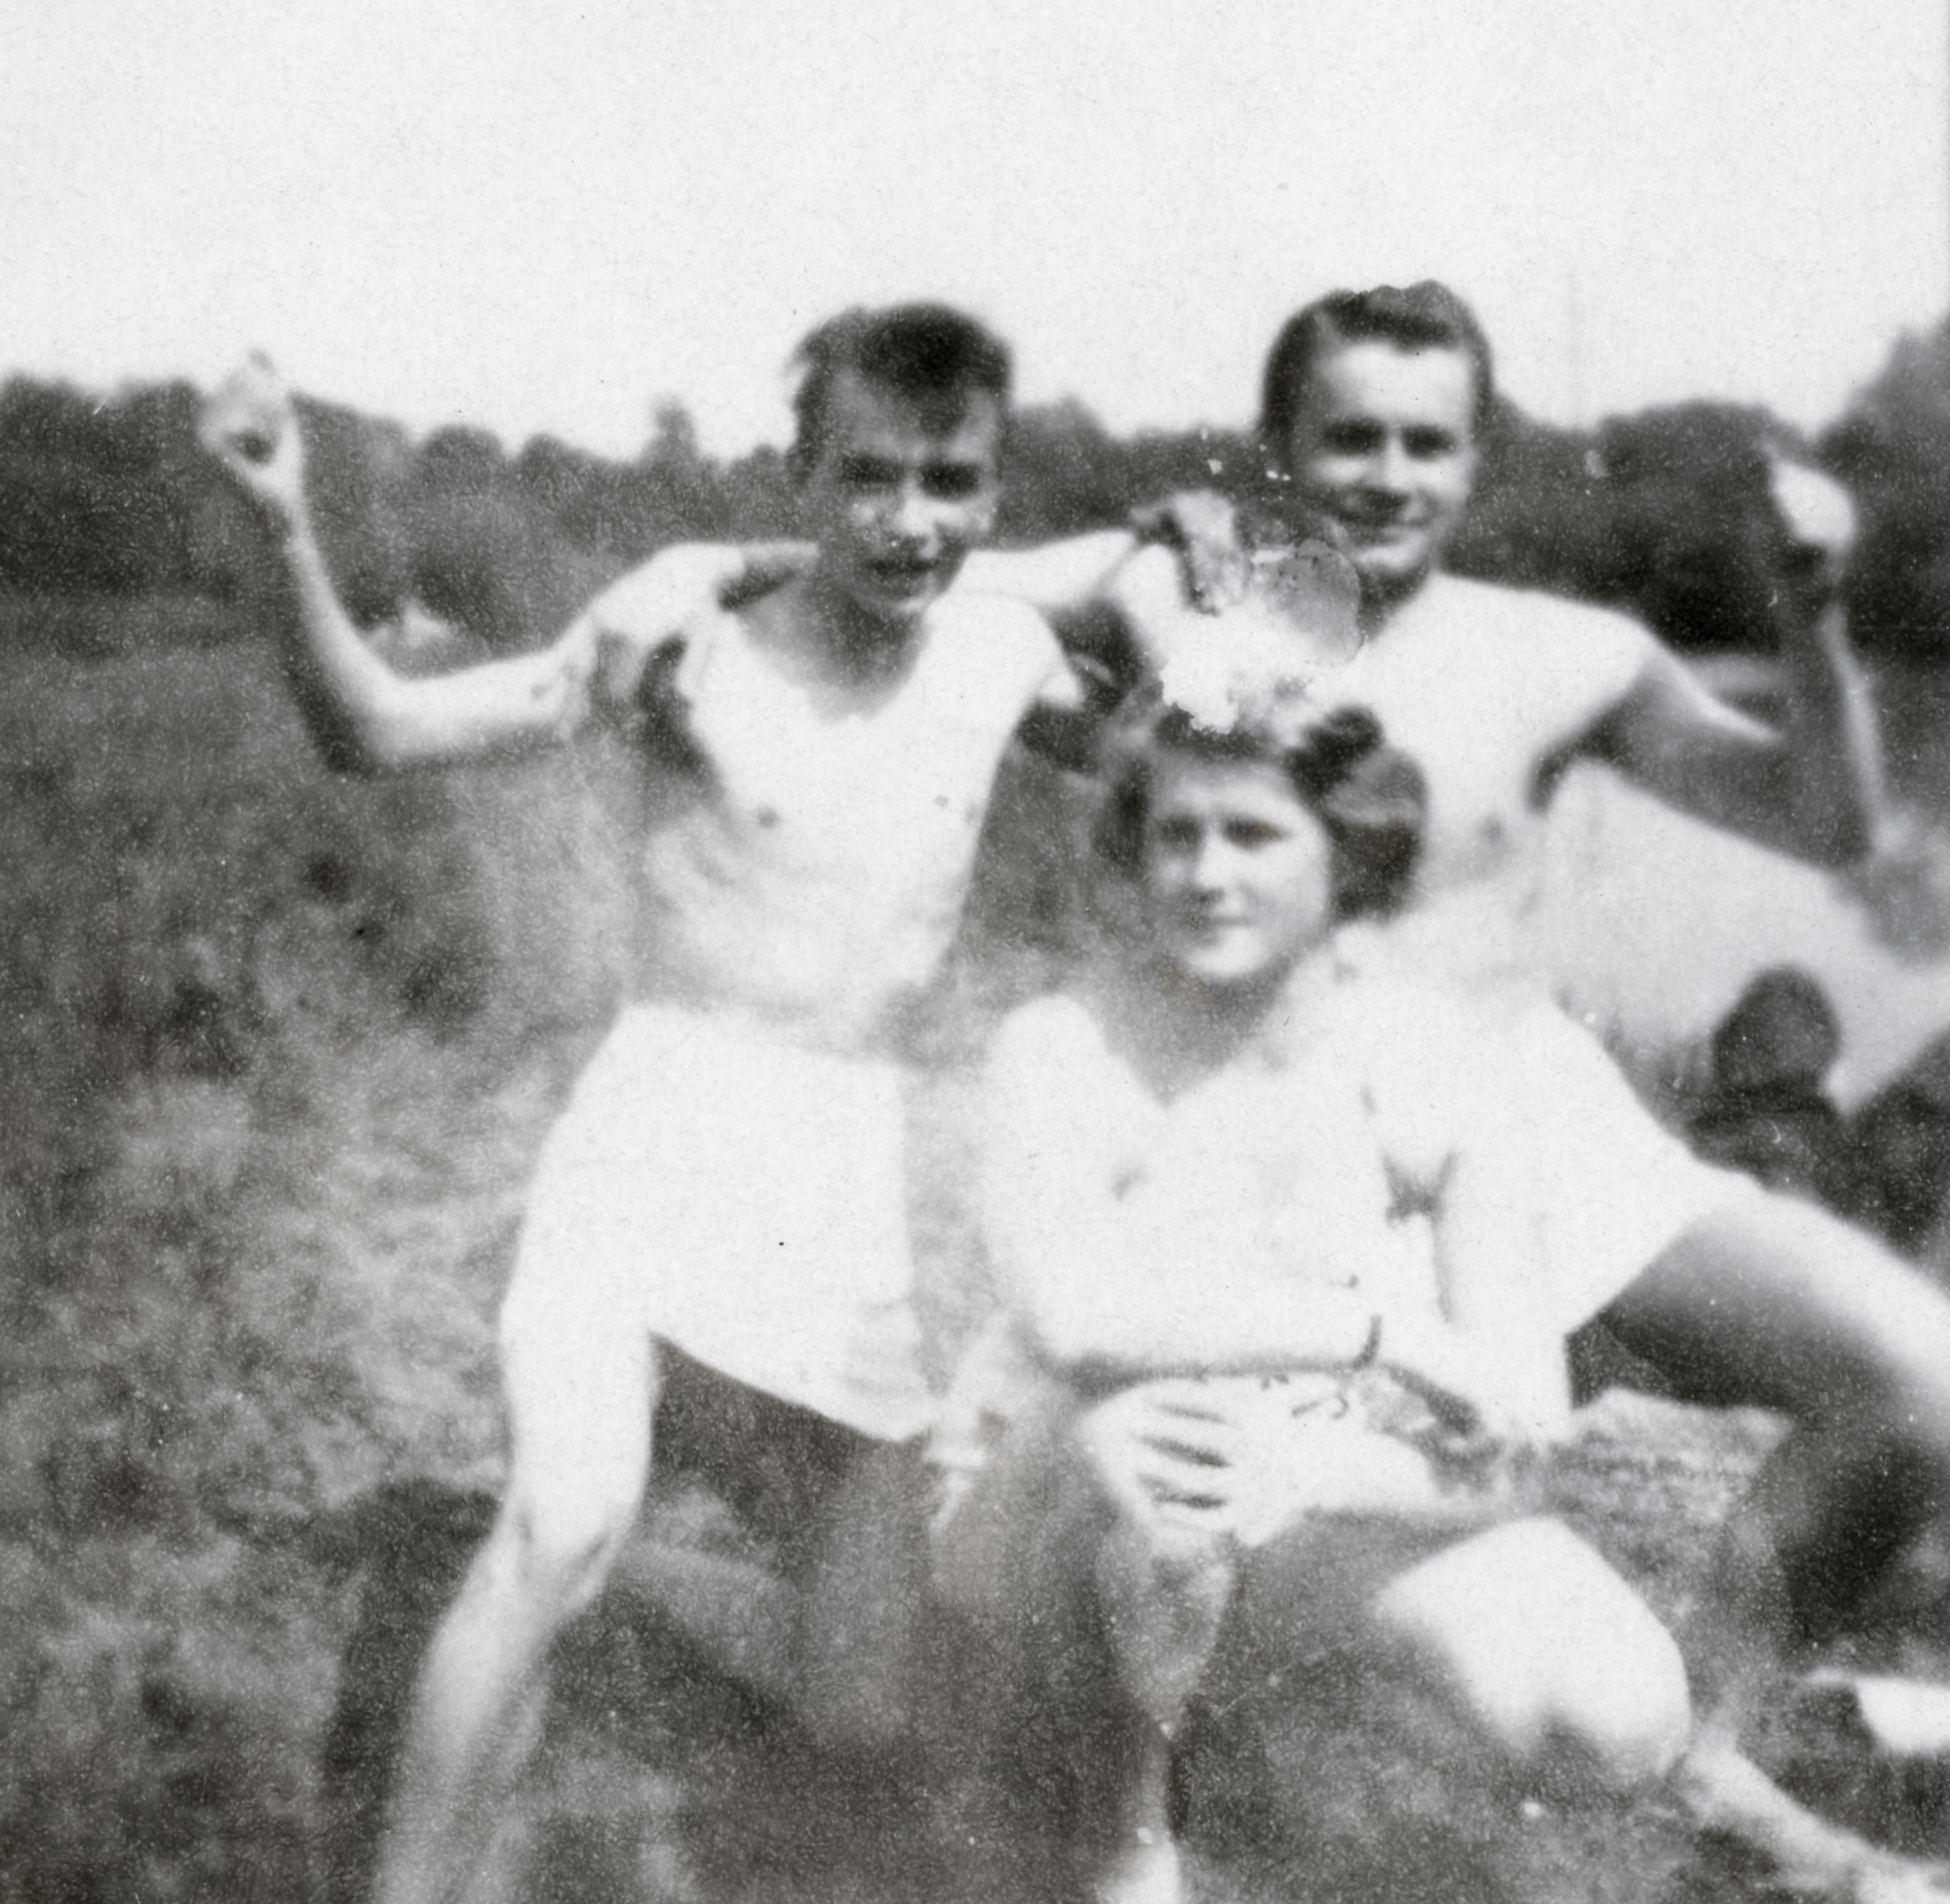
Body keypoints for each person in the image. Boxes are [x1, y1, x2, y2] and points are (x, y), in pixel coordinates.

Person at [200, 303, 1118, 1904]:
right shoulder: (687, 647)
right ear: (801, 475)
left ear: (993, 488)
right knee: (561, 1521)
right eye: (867, 477)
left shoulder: (1004, 649)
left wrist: (1198, 594)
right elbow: (375, 729)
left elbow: (1169, 690)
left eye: (950, 482)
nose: (909, 520)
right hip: (663, 1119)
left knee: (864, 1703)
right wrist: (281, 521)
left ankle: (657, 1576)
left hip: (840, 1174)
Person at [940, 685, 1950, 1904]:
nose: (1206, 874)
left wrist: (1313, 1475)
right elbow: (1073, 1323)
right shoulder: (1065, 1044)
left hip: (1296, 1473)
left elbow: (1519, 1447)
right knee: (1148, 1453)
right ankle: (1127, 1843)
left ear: (1344, 859)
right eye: (1175, 835)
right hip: (1053, 1482)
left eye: (1252, 835)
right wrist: (1385, 1336)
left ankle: (1249, 1733)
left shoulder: (1434, 1067)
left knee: (1615, 1710)